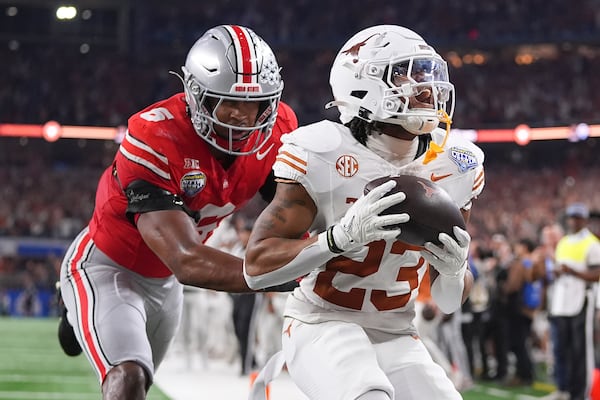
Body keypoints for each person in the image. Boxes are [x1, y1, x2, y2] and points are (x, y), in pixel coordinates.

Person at [57, 24, 298, 400]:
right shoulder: (155, 135)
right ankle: (74, 307)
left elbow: (292, 212)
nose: (240, 116)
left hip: (166, 282)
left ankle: (76, 319)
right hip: (110, 265)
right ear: (196, 95)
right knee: (128, 378)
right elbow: (187, 259)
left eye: (253, 104)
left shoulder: (278, 129)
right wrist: (291, 271)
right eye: (227, 101)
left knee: (144, 382)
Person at [244, 25, 485, 400]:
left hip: (397, 333)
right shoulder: (321, 152)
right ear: (361, 85)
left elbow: (449, 300)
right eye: (406, 72)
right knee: (367, 394)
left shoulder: (456, 166)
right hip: (320, 323)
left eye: (427, 73)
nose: (426, 86)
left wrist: (455, 272)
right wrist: (339, 238)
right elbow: (256, 268)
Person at [542, 203, 600, 400]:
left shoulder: (592, 244)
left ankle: (580, 394)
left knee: (580, 351)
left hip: (581, 301)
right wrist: (559, 271)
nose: (574, 221)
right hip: (561, 302)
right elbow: (559, 268)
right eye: (571, 217)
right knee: (561, 349)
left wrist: (571, 271)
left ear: (584, 220)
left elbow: (597, 274)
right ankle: (564, 389)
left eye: (578, 217)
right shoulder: (564, 242)